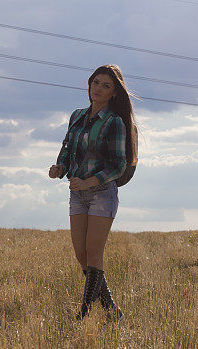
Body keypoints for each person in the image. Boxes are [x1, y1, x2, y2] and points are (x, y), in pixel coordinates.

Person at [48, 64, 137, 321]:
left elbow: (118, 165)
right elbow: (67, 149)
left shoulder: (115, 122)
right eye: (96, 82)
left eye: (106, 86)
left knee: (94, 252)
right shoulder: (76, 115)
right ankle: (111, 311)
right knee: (81, 254)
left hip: (101, 193)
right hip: (77, 194)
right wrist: (59, 168)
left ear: (114, 94)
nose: (98, 88)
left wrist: (89, 182)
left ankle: (83, 314)